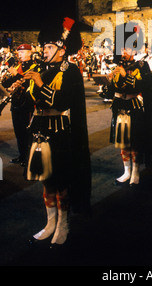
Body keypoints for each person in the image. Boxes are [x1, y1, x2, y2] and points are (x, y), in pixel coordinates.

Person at [22, 16, 91, 248]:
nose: (44, 50)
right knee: (46, 182)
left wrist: (40, 84)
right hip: (39, 131)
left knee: (60, 183)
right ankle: (50, 223)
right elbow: (31, 102)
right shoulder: (40, 68)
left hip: (59, 133)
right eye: (43, 46)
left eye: (49, 46)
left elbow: (61, 103)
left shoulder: (70, 71)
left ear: (61, 50)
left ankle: (63, 225)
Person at [100, 22, 152, 186]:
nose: (125, 52)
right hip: (119, 107)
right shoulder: (118, 66)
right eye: (123, 48)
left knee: (135, 142)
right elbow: (110, 92)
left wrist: (124, 75)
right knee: (122, 142)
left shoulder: (142, 65)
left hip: (134, 107)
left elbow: (141, 87)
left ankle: (136, 171)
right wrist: (107, 83)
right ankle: (126, 171)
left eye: (128, 48)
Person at [2, 44, 38, 166]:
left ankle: (29, 157)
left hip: (27, 104)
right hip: (16, 104)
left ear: (29, 53)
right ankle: (22, 155)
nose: (20, 55)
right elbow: (6, 84)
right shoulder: (17, 66)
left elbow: (28, 82)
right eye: (19, 52)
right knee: (18, 132)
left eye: (22, 52)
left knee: (27, 132)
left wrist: (16, 75)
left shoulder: (35, 67)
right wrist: (9, 77)